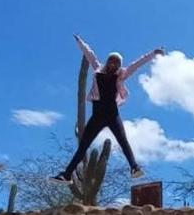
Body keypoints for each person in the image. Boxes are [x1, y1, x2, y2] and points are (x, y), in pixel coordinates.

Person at [51, 34, 164, 182]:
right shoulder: (98, 69)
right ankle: (67, 174)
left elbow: (137, 64)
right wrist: (80, 42)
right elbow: (89, 53)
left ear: (119, 65)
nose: (113, 64)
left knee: (122, 140)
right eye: (111, 60)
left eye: (117, 62)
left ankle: (134, 167)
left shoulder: (121, 74)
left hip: (112, 114)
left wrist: (153, 54)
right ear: (108, 61)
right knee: (83, 145)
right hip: (97, 114)